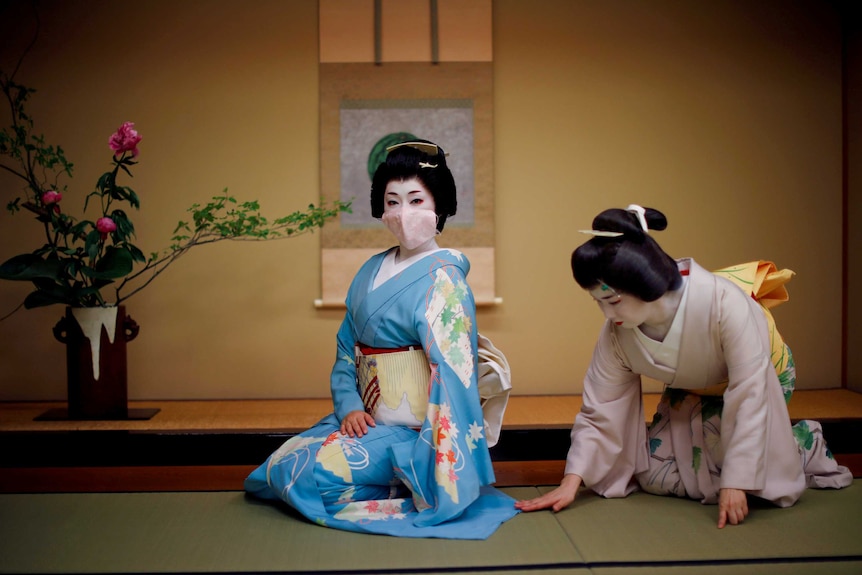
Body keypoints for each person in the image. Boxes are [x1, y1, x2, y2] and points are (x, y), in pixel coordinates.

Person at [515, 205, 852, 528]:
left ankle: (801, 445)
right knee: (654, 477)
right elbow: (601, 407)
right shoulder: (617, 334)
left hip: (763, 381)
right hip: (689, 388)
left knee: (755, 485)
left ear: (643, 284)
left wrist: (736, 482)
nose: (608, 315)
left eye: (613, 300)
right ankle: (736, 453)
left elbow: (751, 386)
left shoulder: (725, 302)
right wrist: (572, 481)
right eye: (598, 303)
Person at [245, 139, 517, 539]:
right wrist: (351, 407)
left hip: (414, 430)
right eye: (392, 202)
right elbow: (345, 350)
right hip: (367, 421)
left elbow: (454, 374)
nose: (403, 213)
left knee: (313, 480)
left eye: (416, 200)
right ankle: (391, 477)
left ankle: (412, 476)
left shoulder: (446, 280)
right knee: (278, 467)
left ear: (439, 205)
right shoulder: (370, 269)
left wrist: (435, 455)